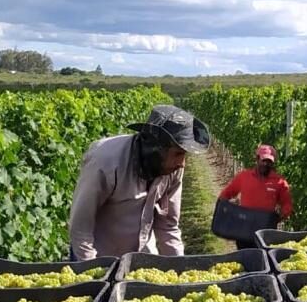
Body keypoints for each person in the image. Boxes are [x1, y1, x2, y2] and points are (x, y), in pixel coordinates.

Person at [68, 104, 211, 259]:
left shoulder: (173, 168)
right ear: (156, 148)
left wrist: (179, 269)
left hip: (140, 259)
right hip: (99, 256)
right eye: (178, 154)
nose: (182, 163)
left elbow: (168, 226)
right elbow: (80, 228)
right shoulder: (106, 161)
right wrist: (92, 273)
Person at [217, 144, 292, 249]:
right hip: (244, 227)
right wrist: (223, 209)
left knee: (263, 256)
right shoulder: (244, 177)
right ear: (257, 159)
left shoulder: (280, 182)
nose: (266, 164)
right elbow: (227, 193)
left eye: (269, 162)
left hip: (265, 229)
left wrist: (279, 216)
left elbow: (286, 203)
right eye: (264, 160)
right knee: (245, 255)